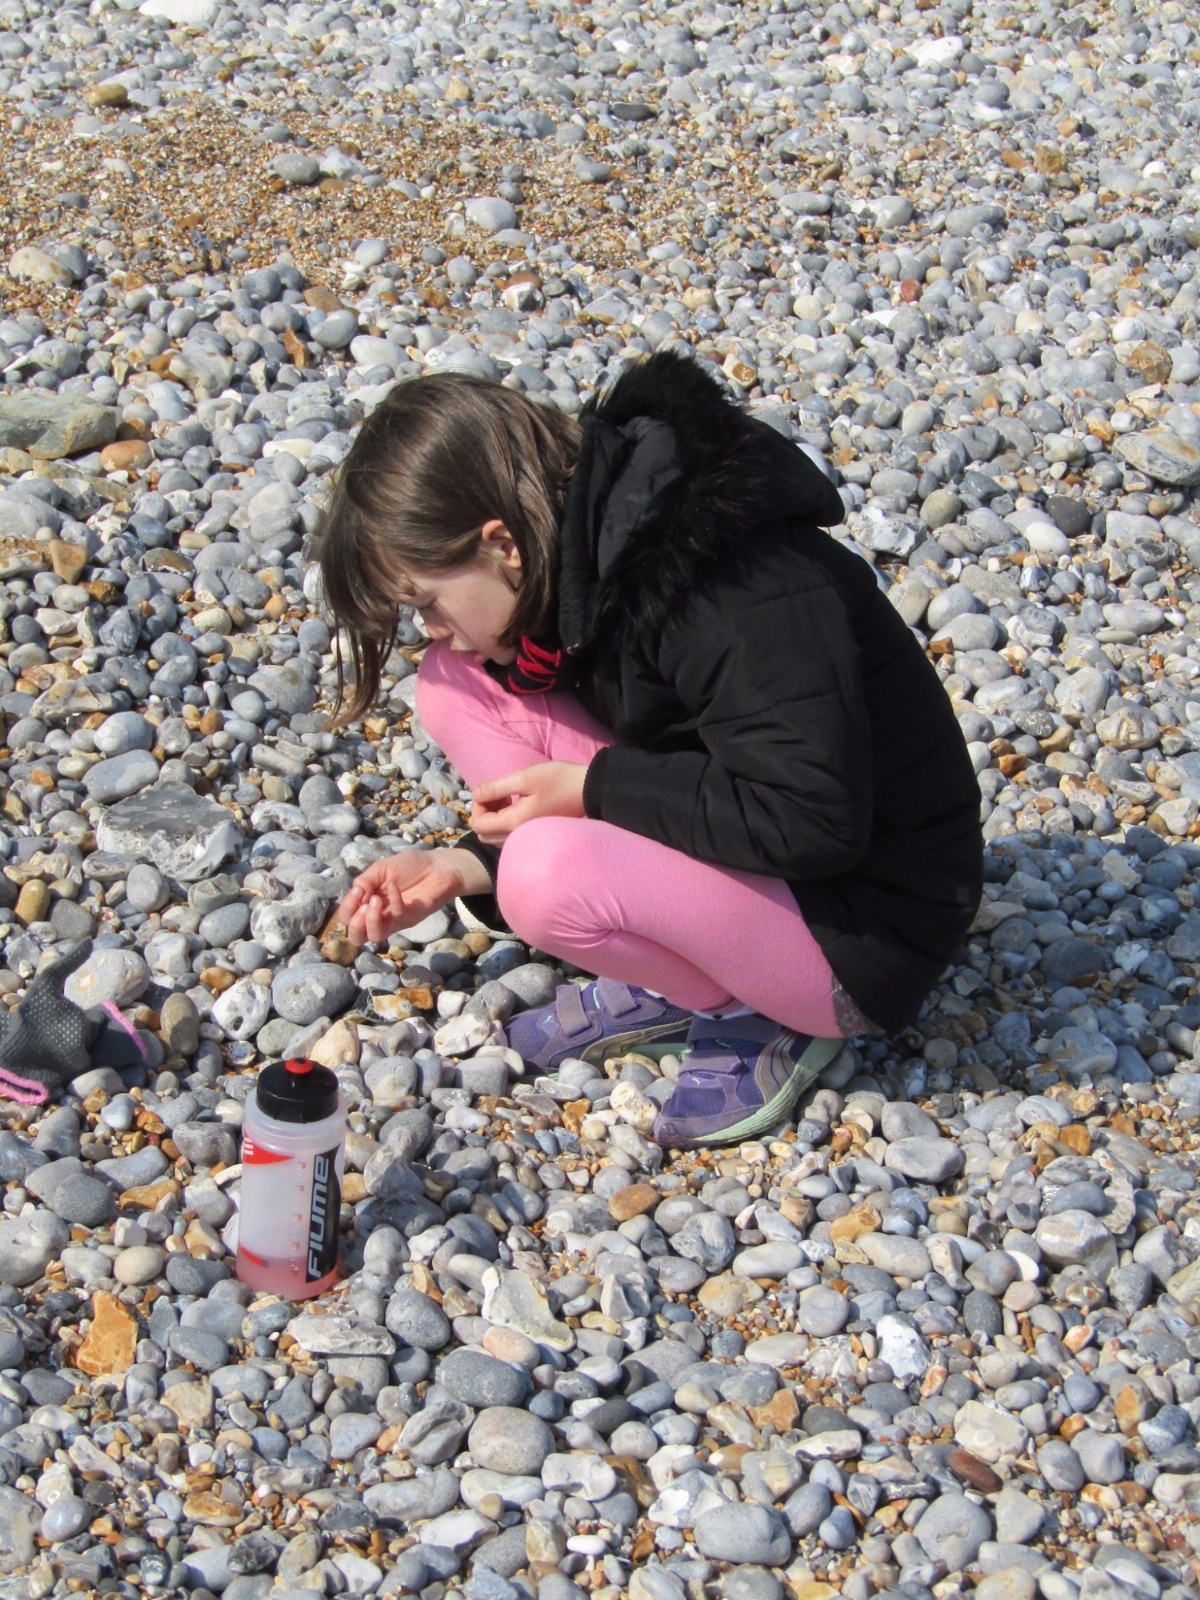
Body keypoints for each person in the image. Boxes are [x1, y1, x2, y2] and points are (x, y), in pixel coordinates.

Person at [315, 348, 983, 1147]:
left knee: (544, 874)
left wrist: (592, 791)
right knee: (453, 683)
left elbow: (812, 819)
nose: (431, 627)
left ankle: (751, 1013)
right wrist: (461, 865)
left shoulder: (731, 585)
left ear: (501, 544)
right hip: (764, 848)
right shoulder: (596, 554)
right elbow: (672, 755)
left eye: (426, 601)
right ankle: (687, 961)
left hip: (861, 931)